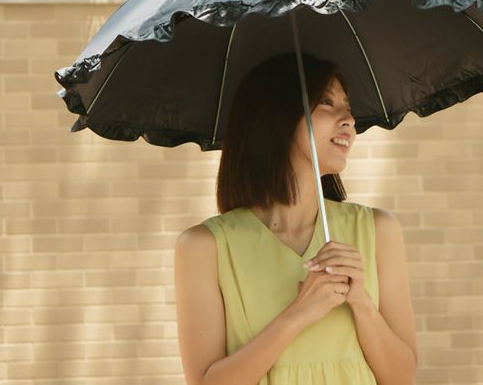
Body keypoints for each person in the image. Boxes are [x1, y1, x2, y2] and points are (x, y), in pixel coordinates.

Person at [174, 53, 418, 385]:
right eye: (327, 103)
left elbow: (402, 377)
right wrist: (298, 314)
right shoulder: (203, 247)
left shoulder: (378, 230)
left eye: (348, 108)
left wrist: (361, 303)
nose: (349, 120)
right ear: (277, 115)